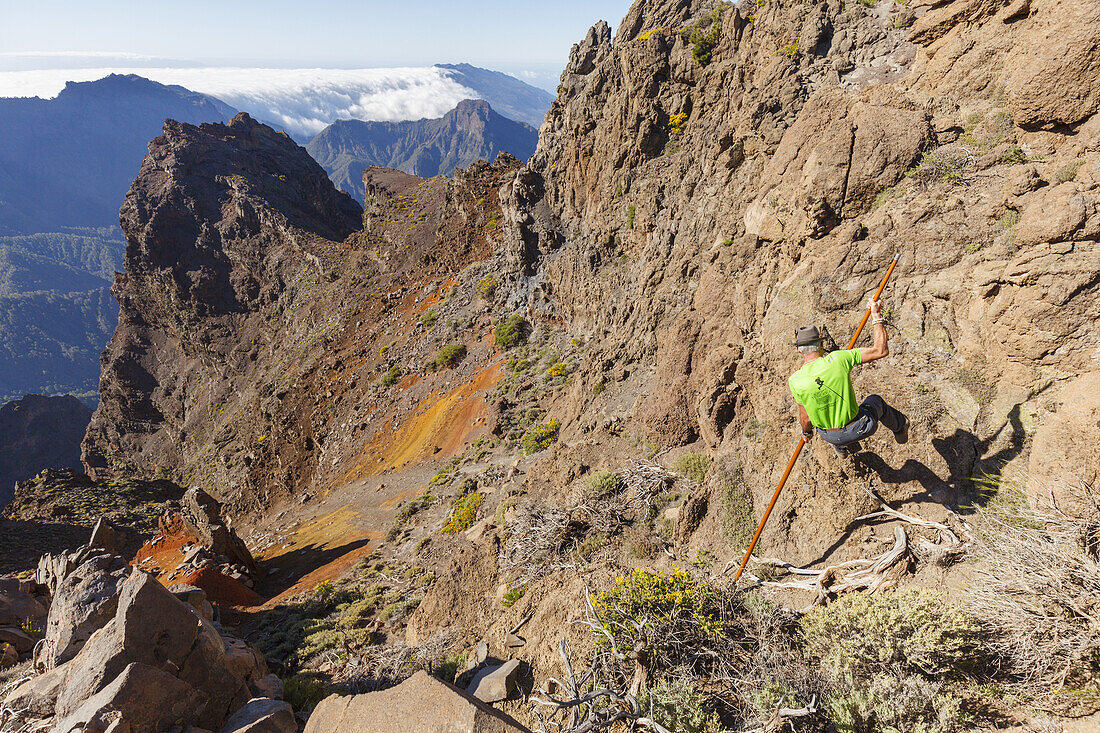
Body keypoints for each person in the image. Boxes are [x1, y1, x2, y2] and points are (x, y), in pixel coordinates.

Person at [788, 298, 909, 457]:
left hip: (830, 436)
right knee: (875, 401)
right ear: (820, 345)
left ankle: (841, 447)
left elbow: (806, 418)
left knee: (828, 421)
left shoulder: (795, 380)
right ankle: (900, 429)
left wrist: (806, 433)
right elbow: (880, 351)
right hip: (861, 427)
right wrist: (876, 314)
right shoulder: (839, 359)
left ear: (798, 350)